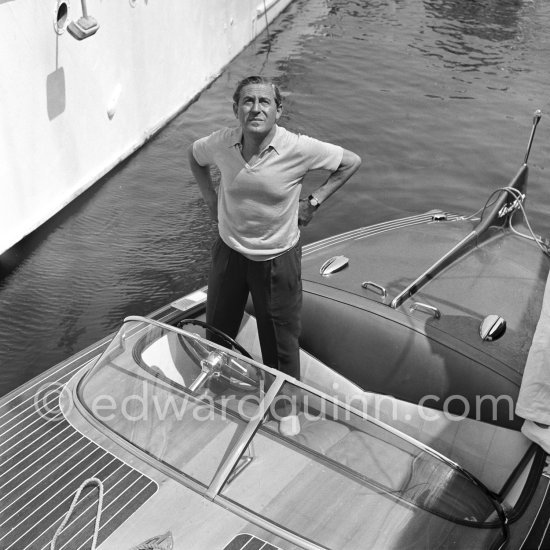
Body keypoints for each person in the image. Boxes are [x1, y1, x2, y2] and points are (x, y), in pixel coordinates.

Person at [188, 75, 361, 380]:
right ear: (236, 109)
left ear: (278, 111)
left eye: (264, 101)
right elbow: (194, 155)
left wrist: (313, 202)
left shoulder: (299, 148)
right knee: (217, 328)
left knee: (280, 341)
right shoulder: (221, 143)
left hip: (276, 259)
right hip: (229, 252)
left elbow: (350, 162)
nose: (256, 109)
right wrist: (210, 200)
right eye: (248, 101)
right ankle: (216, 380)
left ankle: (284, 406)